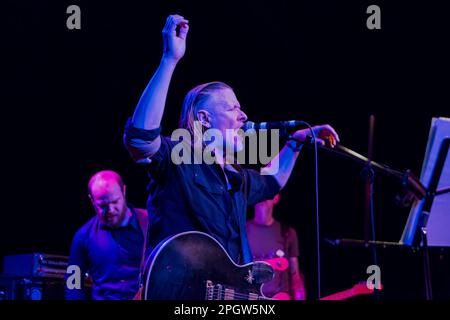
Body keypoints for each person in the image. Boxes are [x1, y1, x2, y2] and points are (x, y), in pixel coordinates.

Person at [123, 14, 339, 268]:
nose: (244, 116)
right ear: (204, 118)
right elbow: (140, 139)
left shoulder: (234, 177)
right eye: (231, 109)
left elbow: (273, 181)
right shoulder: (177, 156)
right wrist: (169, 60)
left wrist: (296, 141)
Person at [65, 170, 148, 300]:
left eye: (115, 202)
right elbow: (72, 284)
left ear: (124, 191)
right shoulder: (82, 236)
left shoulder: (149, 223)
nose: (110, 210)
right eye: (102, 205)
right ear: (91, 200)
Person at [247, 194, 307, 300]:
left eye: (266, 192)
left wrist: (299, 294)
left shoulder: (287, 233)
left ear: (276, 198)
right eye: (259, 192)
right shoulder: (242, 231)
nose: (262, 197)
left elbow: (295, 275)